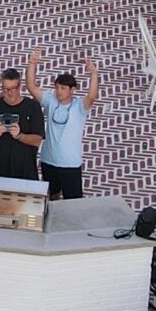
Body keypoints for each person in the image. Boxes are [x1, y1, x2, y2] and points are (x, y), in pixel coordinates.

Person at [31, 46, 101, 201]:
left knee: (73, 201)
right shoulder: (50, 101)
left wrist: (94, 74)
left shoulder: (79, 107)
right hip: (48, 160)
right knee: (52, 196)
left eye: (63, 88)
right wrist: (32, 64)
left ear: (72, 90)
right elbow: (31, 88)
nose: (58, 91)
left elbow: (92, 96)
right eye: (56, 87)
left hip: (70, 164)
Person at [0, 68, 45, 182]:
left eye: (12, 89)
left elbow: (37, 140)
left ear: (19, 87)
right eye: (5, 89)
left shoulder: (32, 107)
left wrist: (19, 135)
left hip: (24, 171)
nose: (9, 92)